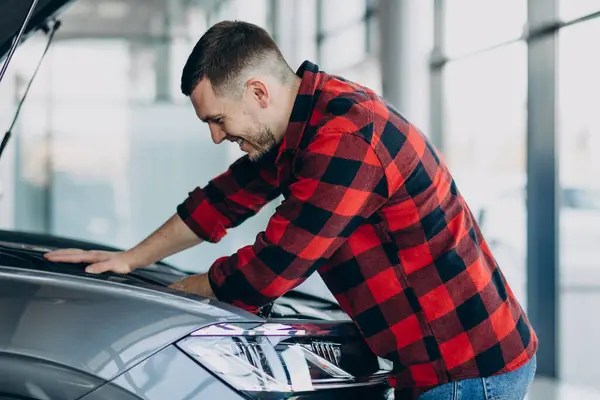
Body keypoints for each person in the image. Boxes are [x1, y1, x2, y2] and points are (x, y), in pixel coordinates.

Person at [44, 20, 537, 399]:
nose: (216, 136)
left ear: (258, 92)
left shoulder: (345, 139)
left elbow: (270, 269)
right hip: (434, 360)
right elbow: (218, 203)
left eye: (218, 119)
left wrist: (169, 299)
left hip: (467, 366)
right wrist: (129, 260)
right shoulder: (298, 130)